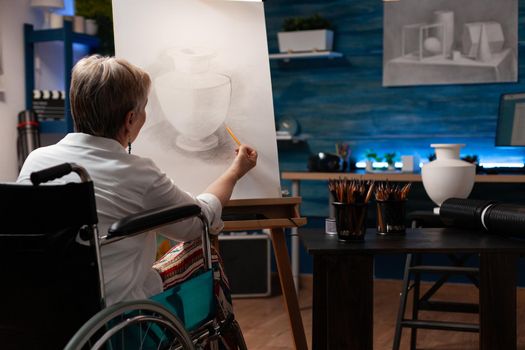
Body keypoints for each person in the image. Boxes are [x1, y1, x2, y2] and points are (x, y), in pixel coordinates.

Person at [17, 55, 258, 306]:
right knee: (205, 254)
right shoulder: (136, 172)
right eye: (144, 109)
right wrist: (235, 172)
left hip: (42, 309)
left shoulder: (36, 162)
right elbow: (196, 224)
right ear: (130, 119)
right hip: (113, 315)